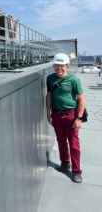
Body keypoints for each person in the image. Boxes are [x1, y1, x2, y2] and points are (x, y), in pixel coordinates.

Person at [46, 53, 85, 183]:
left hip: (71, 115)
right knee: (61, 140)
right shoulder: (50, 79)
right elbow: (49, 96)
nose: (59, 68)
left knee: (74, 144)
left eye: (62, 66)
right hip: (57, 115)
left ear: (67, 66)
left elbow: (81, 99)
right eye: (57, 65)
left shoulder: (74, 80)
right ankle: (65, 162)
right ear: (53, 66)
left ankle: (76, 171)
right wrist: (48, 112)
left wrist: (79, 118)